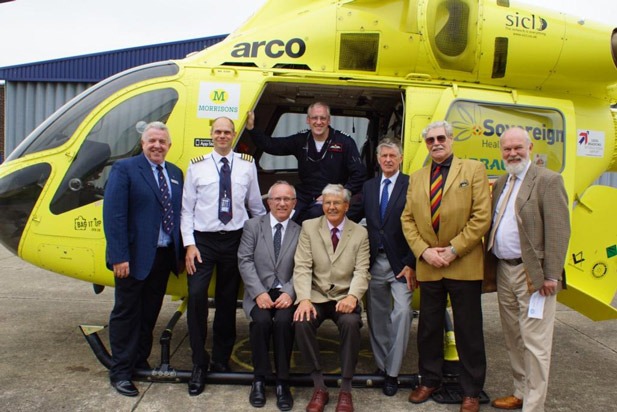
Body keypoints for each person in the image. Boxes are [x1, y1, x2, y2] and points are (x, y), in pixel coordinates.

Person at [401, 120, 491, 412]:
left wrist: (452, 250)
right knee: (428, 327)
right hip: (430, 265)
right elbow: (407, 219)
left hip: (462, 262)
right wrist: (425, 253)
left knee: (468, 329)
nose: (436, 143)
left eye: (441, 138)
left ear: (451, 140)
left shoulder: (474, 170)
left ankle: (471, 390)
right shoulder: (416, 177)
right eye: (430, 140)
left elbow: (481, 217)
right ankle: (429, 380)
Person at [485, 127, 570, 412]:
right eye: (507, 149)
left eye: (517, 147)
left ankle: (533, 406)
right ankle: (520, 391)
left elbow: (559, 231)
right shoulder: (501, 183)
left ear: (530, 147)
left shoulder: (548, 181)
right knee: (513, 336)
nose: (512, 153)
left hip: (533, 275)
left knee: (536, 343)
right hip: (505, 271)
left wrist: (551, 275)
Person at [181, 116, 266, 396]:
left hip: (235, 239)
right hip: (203, 241)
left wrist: (266, 238)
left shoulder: (246, 165)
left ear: (234, 135)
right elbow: (187, 211)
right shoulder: (197, 168)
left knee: (228, 301)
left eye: (227, 132)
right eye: (217, 131)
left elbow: (255, 206)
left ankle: (221, 358)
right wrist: (189, 245)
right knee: (196, 296)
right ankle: (198, 362)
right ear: (211, 134)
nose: (222, 136)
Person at [103, 121, 184, 397]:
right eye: (152, 141)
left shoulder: (174, 173)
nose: (157, 145)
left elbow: (178, 217)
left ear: (169, 146)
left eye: (162, 142)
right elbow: (114, 216)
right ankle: (121, 372)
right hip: (132, 258)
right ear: (143, 143)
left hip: (162, 258)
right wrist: (119, 256)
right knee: (126, 314)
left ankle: (139, 360)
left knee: (149, 314)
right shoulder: (125, 169)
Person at [347, 138, 417, 396]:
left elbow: (420, 226)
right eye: (384, 156)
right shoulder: (369, 186)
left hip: (401, 265)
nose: (388, 160)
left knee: (401, 314)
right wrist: (322, 212)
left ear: (400, 158)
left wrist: (411, 262)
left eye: (392, 156)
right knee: (377, 319)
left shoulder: (411, 184)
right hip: (374, 263)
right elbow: (351, 215)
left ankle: (393, 373)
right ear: (377, 159)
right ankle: (381, 366)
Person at [293, 183, 370, 412]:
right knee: (301, 321)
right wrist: (304, 298)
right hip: (316, 294)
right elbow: (302, 266)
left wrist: (354, 296)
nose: (331, 207)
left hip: (344, 296)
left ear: (346, 206)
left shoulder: (359, 232)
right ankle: (320, 387)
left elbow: (362, 270)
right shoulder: (308, 227)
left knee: (351, 323)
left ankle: (345, 389)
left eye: (337, 202)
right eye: (327, 203)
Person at [246, 102, 366, 223]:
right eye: (314, 118)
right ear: (308, 120)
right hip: (305, 193)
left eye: (323, 118)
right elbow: (271, 145)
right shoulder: (301, 139)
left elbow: (359, 174)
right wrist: (251, 128)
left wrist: (338, 194)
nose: (318, 122)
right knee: (285, 213)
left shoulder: (345, 142)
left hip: (332, 194)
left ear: (329, 120)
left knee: (313, 216)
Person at [238, 181, 300, 411]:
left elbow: (304, 266)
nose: (282, 203)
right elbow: (244, 260)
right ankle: (259, 380)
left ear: (294, 203)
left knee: (284, 322)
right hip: (259, 291)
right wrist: (259, 293)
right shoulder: (253, 226)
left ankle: (283, 382)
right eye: (277, 199)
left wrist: (290, 292)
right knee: (261, 322)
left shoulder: (300, 230)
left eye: (287, 199)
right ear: (269, 202)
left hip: (285, 292)